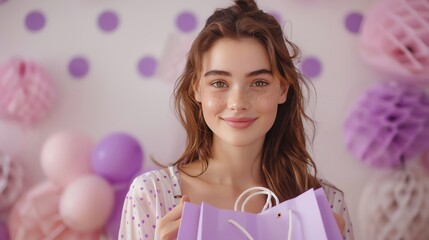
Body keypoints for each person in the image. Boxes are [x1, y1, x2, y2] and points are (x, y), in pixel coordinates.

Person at [119, 0, 354, 239]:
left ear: (282, 89)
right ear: (196, 90)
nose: (238, 102)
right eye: (219, 83)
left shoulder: (326, 202)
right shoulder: (153, 195)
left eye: (259, 82)